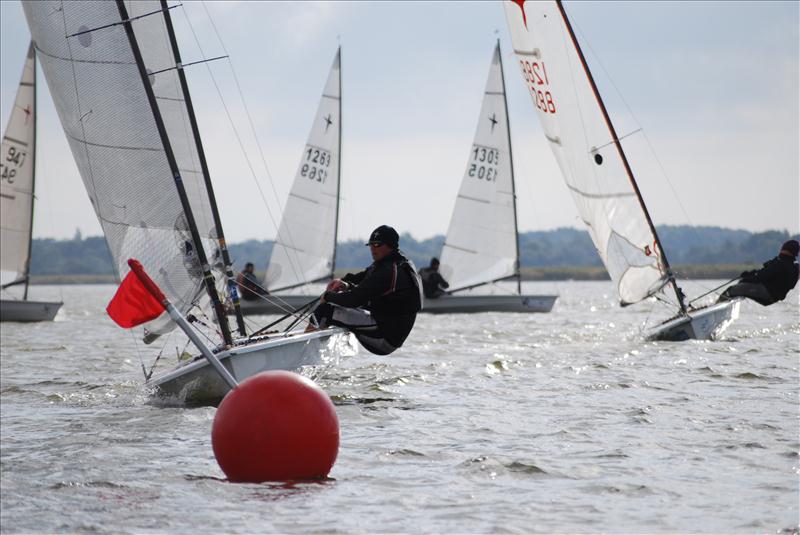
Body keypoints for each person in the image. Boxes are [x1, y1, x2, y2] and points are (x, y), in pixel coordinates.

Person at [312, 225, 423, 355]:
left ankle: (304, 353)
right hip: (384, 326)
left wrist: (327, 296)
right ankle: (318, 348)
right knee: (334, 308)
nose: (372, 249)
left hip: (383, 337)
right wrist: (345, 283)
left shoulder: (388, 271)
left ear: (389, 245)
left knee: (324, 310)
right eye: (370, 245)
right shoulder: (394, 261)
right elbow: (364, 277)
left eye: (377, 244)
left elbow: (353, 300)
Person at [718, 239, 799, 306]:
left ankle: (715, 306)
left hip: (766, 294)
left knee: (732, 290)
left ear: (786, 250)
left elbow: (760, 277)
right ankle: (722, 304)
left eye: (783, 249)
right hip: (772, 297)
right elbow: (767, 274)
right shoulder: (792, 265)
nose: (780, 251)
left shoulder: (781, 263)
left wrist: (746, 278)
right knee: (742, 285)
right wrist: (752, 274)